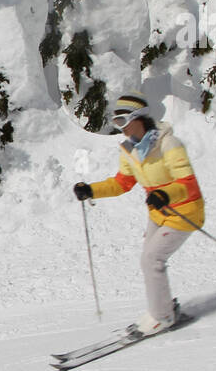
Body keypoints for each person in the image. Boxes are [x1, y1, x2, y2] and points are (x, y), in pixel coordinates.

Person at [72, 92, 205, 335]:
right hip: (159, 214)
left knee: (151, 260)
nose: (119, 129)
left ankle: (163, 316)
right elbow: (122, 183)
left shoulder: (168, 144)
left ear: (138, 118)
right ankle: (163, 309)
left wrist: (166, 194)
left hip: (185, 211)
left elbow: (189, 184)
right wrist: (91, 190)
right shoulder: (130, 151)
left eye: (122, 122)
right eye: (115, 123)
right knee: (150, 262)